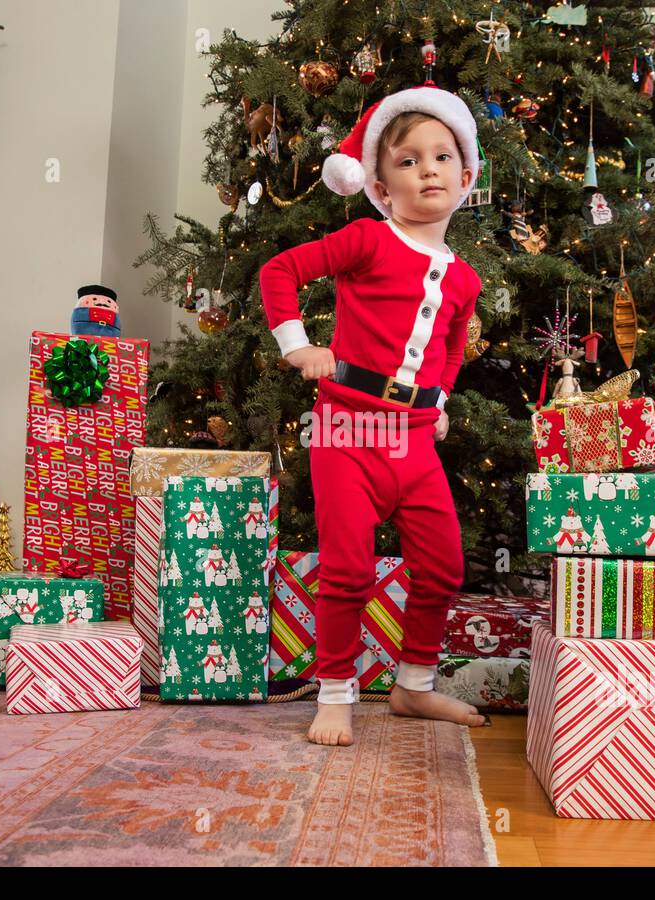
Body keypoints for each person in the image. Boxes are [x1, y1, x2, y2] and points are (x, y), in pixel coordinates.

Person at [259, 84, 487, 746]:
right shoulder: (367, 238)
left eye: (442, 157)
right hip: (347, 430)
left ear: (466, 176)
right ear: (382, 188)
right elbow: (280, 272)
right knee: (349, 568)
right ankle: (336, 693)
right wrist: (297, 346)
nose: (428, 170)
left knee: (443, 565)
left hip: (414, 439)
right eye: (409, 161)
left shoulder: (464, 278)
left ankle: (413, 688)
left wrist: (439, 402)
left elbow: (449, 348)